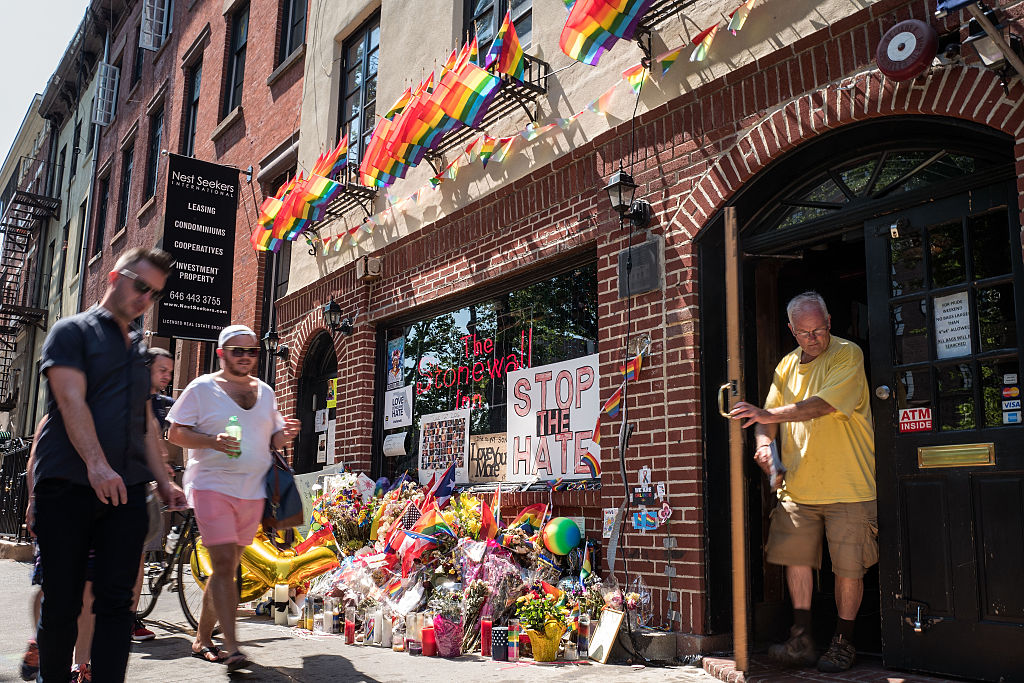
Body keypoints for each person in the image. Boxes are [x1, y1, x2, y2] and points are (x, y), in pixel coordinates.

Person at [31, 246, 186, 683]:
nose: (145, 299)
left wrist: (164, 481)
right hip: (68, 486)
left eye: (154, 294)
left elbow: (143, 427)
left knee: (118, 604)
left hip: (126, 492)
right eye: (140, 286)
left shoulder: (140, 352)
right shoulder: (71, 332)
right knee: (63, 601)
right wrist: (97, 465)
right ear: (116, 277)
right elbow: (70, 401)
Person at [729, 292, 876, 674]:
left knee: (848, 567)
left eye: (821, 329)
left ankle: (843, 642)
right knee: (796, 561)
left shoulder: (848, 354)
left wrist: (766, 413)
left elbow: (822, 405)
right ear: (791, 330)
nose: (815, 338)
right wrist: (764, 445)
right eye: (806, 333)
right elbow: (767, 421)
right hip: (798, 487)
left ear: (829, 319)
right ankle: (802, 639)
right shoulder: (785, 366)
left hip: (849, 484)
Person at [167, 324, 300, 671]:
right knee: (226, 565)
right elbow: (176, 432)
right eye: (237, 350)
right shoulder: (202, 388)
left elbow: (272, 442)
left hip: (253, 491)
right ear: (222, 353)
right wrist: (212, 441)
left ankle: (201, 639)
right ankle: (233, 647)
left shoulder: (267, 393)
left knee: (227, 568)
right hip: (212, 485)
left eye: (251, 351)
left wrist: (286, 434)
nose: (245, 357)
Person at [130, 346, 177, 643]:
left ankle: (129, 620)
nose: (167, 377)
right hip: (124, 485)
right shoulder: (129, 397)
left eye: (171, 372)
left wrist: (164, 470)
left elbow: (157, 438)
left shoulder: (158, 403)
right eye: (162, 370)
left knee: (138, 556)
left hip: (143, 486)